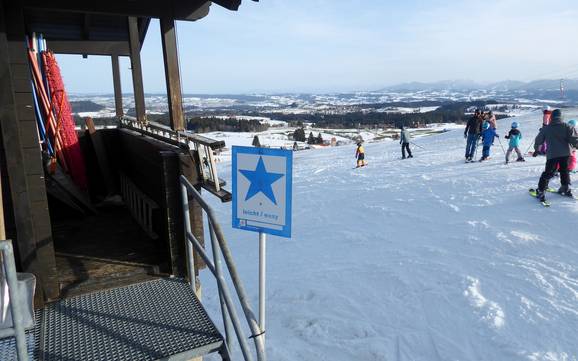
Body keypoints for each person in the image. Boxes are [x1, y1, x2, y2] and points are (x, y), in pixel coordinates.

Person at [533, 109, 578, 201]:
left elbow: (539, 140)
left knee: (549, 172)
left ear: (552, 117)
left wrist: (536, 150)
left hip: (552, 154)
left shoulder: (547, 128)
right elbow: (575, 139)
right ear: (562, 117)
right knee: (564, 170)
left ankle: (541, 190)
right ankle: (565, 188)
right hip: (566, 154)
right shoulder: (568, 126)